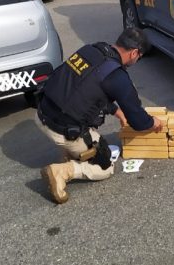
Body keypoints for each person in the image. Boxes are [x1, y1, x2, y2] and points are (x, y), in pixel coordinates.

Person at [36, 27, 164, 204]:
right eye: (139, 58)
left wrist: (116, 111)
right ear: (135, 53)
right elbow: (138, 121)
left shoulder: (92, 49)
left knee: (84, 111)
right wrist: (153, 122)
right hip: (63, 129)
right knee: (105, 166)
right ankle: (63, 171)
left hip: (44, 112)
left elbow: (84, 87)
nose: (137, 60)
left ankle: (71, 151)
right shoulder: (118, 77)